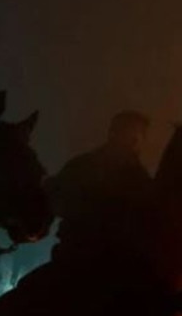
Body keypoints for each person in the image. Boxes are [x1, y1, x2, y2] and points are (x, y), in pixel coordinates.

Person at [46, 110, 154, 266]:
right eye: (130, 134)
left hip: (121, 263)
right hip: (76, 258)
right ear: (114, 133)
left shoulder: (142, 181)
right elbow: (56, 200)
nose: (135, 141)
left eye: (139, 135)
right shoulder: (83, 167)